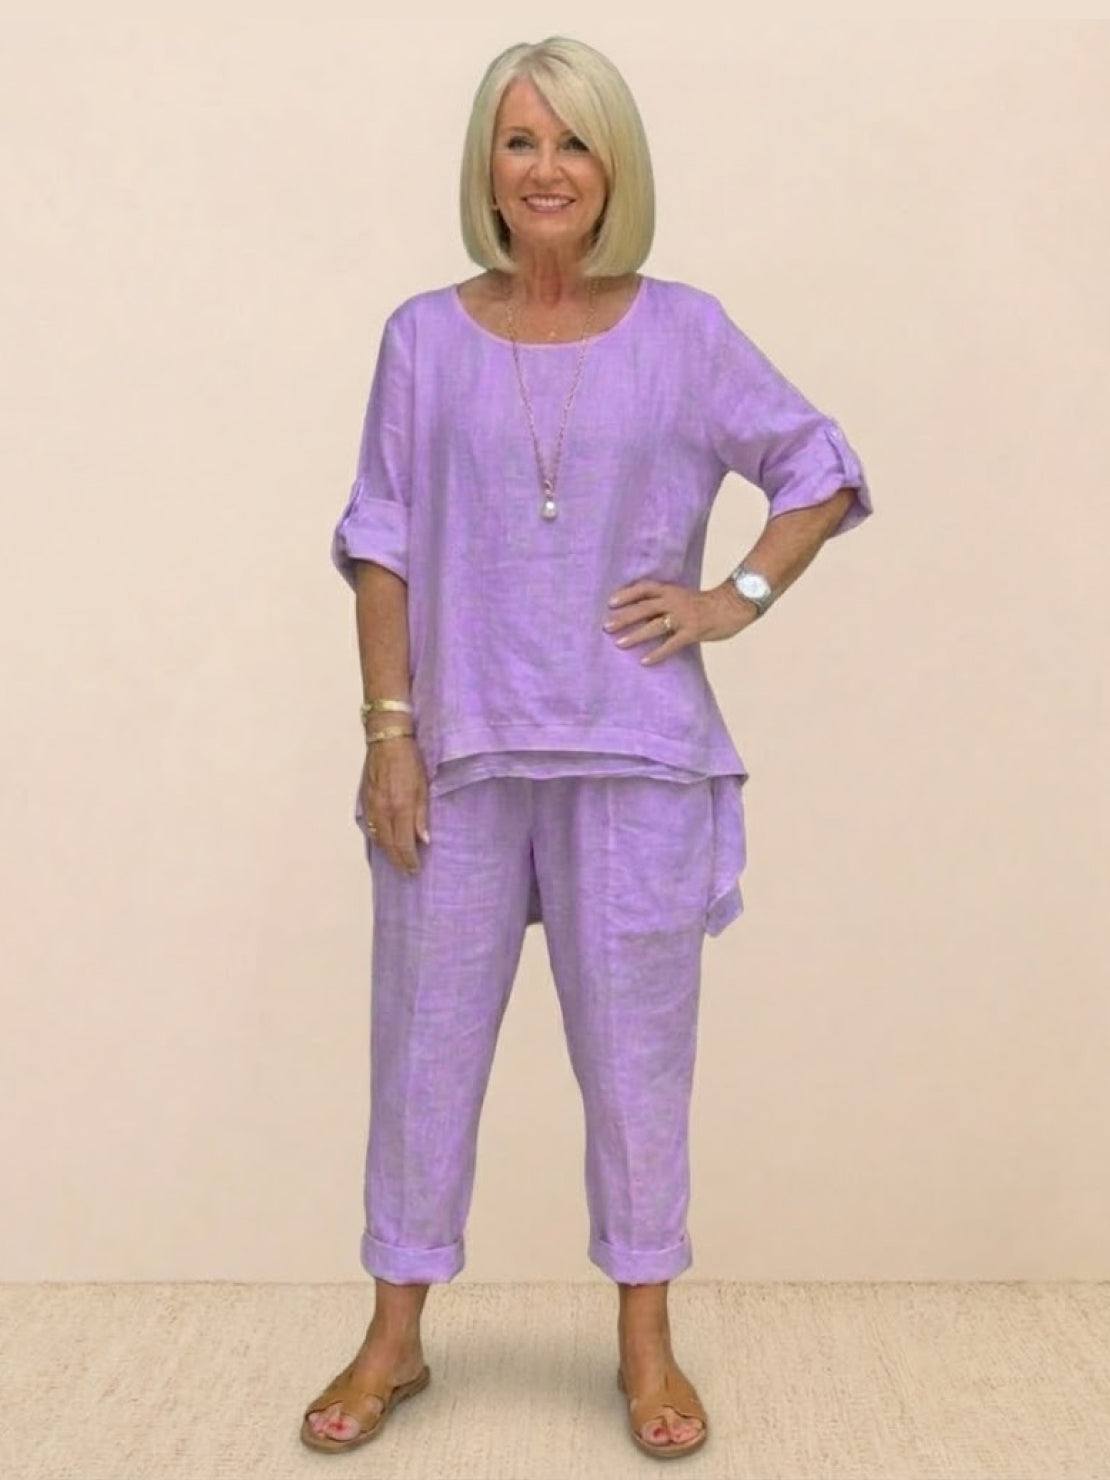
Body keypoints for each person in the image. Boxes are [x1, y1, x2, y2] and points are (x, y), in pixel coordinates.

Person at [300, 34, 873, 1462]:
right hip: (460, 755)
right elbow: (382, 542)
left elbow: (817, 468)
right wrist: (388, 733)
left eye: (571, 141)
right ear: (485, 169)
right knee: (422, 1053)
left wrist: (731, 598)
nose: (544, 168)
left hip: (635, 756)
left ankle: (645, 1341)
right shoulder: (422, 338)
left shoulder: (685, 331)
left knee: (637, 1066)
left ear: (614, 167)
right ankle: (393, 1336)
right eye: (519, 141)